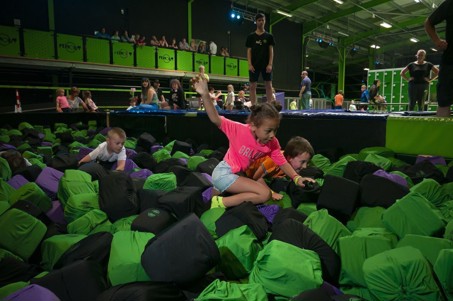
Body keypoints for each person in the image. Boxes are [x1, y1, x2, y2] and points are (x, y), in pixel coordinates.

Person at [191, 74, 315, 209]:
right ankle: (220, 203)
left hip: (235, 176)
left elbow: (282, 161)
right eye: (268, 131)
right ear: (254, 126)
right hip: (224, 173)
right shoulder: (240, 130)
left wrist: (297, 178)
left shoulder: (272, 143)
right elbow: (215, 119)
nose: (273, 135)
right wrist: (205, 94)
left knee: (207, 208)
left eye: (275, 130)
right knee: (264, 194)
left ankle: (213, 202)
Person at [246, 136, 314, 200]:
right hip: (248, 172)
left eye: (307, 163)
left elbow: (296, 178)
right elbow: (256, 177)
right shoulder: (273, 161)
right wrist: (271, 193)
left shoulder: (292, 166)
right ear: (290, 158)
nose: (305, 166)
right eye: (302, 162)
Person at [424, 0, 453, 117]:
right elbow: (428, 23)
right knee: (444, 103)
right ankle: (440, 134)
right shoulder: (450, 4)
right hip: (450, 61)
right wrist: (436, 40)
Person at [246, 13, 275, 105]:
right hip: (254, 65)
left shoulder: (269, 36)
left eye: (263, 20)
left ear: (265, 21)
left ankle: (270, 104)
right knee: (252, 86)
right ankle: (254, 106)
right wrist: (250, 64)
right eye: (259, 20)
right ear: (256, 22)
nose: (261, 22)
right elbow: (249, 51)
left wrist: (270, 64)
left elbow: (271, 51)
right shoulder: (251, 37)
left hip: (266, 65)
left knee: (269, 85)